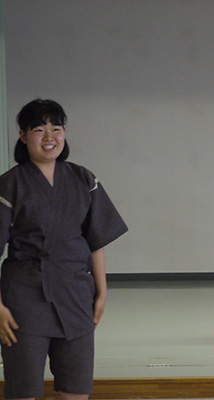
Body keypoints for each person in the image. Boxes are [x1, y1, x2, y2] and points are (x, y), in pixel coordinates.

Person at [0, 99, 128, 399]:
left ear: (64, 133)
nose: (49, 137)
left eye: (56, 128)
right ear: (23, 136)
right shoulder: (9, 184)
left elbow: (95, 242)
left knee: (77, 389)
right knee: (23, 390)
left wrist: (102, 292)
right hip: (24, 299)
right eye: (39, 129)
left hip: (75, 294)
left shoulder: (84, 179)